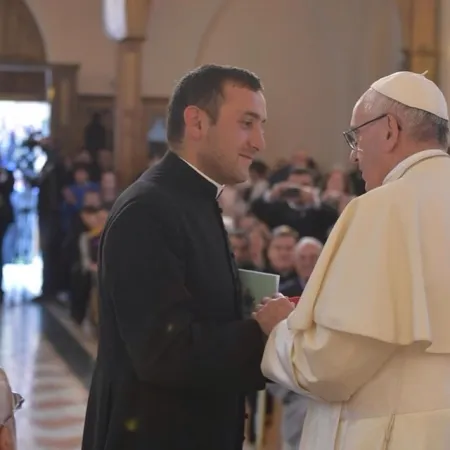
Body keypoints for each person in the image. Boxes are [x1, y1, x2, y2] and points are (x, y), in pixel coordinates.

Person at [255, 71, 450, 449]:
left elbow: (331, 367)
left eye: (356, 136)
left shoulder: (382, 208)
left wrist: (278, 332)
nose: (351, 154)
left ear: (390, 130)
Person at [82, 64, 270, 450]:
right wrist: (262, 331)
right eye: (247, 123)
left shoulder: (194, 199)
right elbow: (164, 352)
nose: (259, 142)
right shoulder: (148, 210)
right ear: (197, 122)